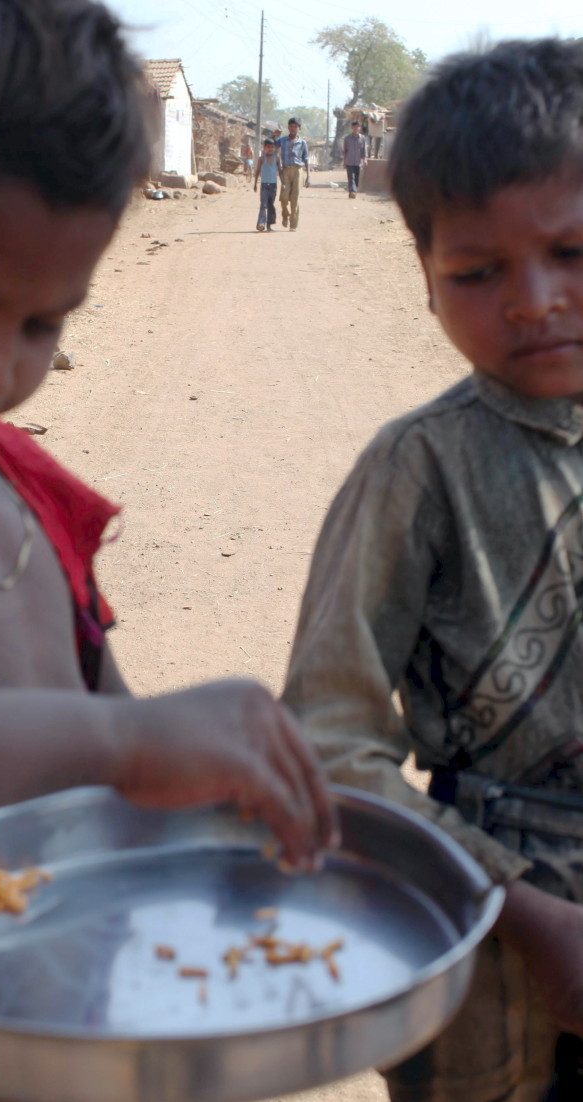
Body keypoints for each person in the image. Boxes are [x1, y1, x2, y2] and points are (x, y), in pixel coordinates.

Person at [0, 1, 334, 1098]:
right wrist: (112, 744)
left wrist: (199, 760)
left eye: (41, 324)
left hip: (58, 1035)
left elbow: (110, 726)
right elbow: (97, 742)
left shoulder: (13, 478)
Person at [284, 36, 583, 1102]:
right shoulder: (419, 470)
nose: (536, 298)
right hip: (485, 931)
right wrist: (527, 912)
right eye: (479, 271)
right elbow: (329, 741)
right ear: (423, 280)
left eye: (572, 252)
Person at [276, 117, 309, 231]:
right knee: (284, 196)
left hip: (298, 170)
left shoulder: (303, 143)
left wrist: (308, 176)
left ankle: (293, 224)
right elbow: (271, 146)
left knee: (295, 198)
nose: (293, 129)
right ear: (288, 127)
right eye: (291, 126)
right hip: (285, 170)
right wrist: (275, 135)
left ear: (299, 128)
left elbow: (306, 159)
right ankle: (285, 214)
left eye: (295, 127)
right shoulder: (282, 140)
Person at [253, 137, 284, 231]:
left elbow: (280, 171)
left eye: (272, 147)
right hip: (264, 185)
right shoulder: (261, 159)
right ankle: (261, 224)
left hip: (273, 186)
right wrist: (255, 184)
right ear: (264, 148)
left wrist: (283, 183)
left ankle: (269, 225)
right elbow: (258, 170)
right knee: (263, 205)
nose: (270, 149)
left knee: (271, 205)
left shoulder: (277, 159)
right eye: (268, 147)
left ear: (274, 148)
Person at [342, 120, 367, 197]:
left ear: (359, 128)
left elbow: (364, 150)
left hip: (358, 162)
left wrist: (365, 159)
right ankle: (352, 191)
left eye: (357, 127)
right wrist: (344, 162)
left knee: (356, 179)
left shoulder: (362, 138)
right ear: (352, 127)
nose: (356, 128)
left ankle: (353, 191)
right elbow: (345, 151)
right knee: (351, 178)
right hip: (349, 161)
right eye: (354, 127)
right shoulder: (347, 138)